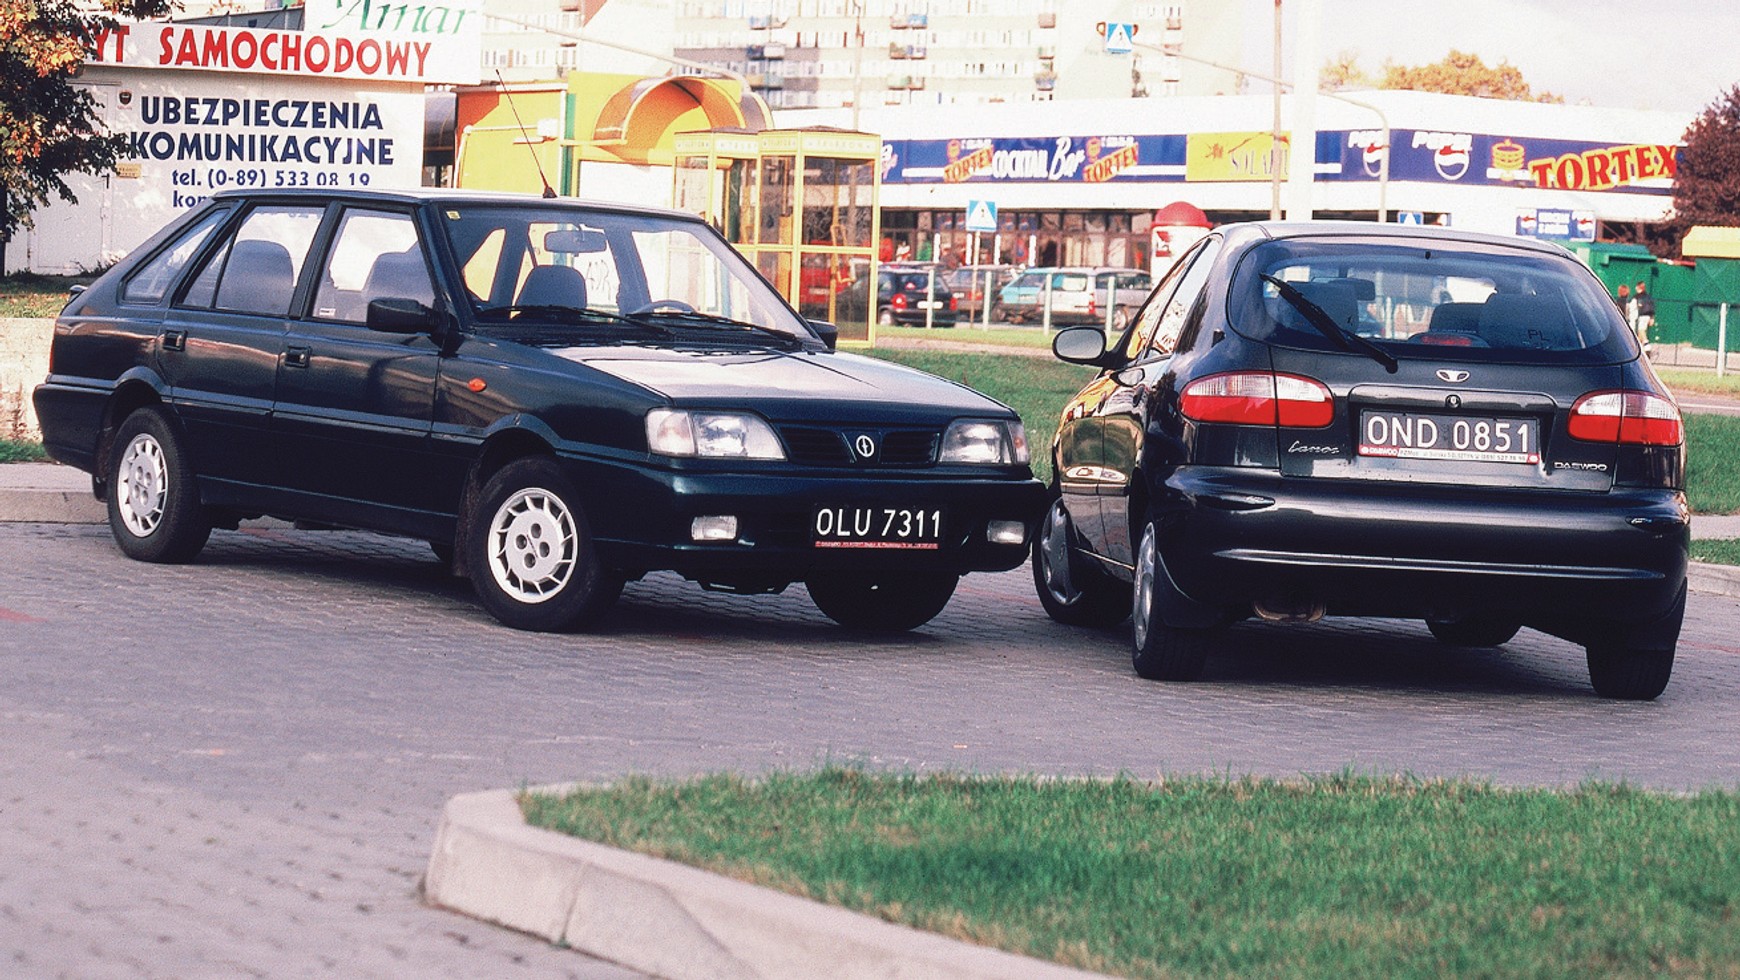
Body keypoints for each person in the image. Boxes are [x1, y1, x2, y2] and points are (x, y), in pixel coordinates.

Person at [1633, 280, 1655, 358]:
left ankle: (1646, 344)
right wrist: (1652, 317)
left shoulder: (1638, 297)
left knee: (1641, 330)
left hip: (1643, 315)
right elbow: (1652, 306)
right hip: (1647, 315)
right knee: (1640, 333)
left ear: (1638, 287)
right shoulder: (1648, 296)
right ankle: (1639, 349)